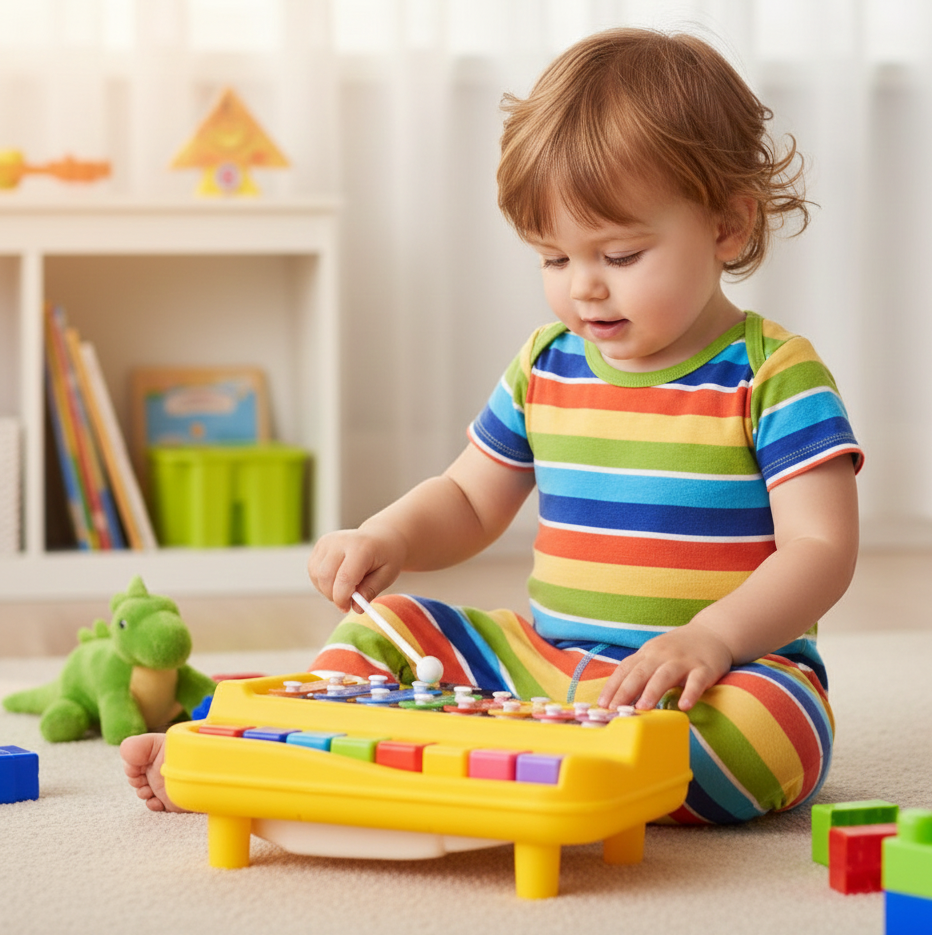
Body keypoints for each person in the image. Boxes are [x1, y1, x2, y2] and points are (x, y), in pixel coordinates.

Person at [123, 26, 862, 823]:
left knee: (773, 732)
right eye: (554, 258)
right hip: (548, 672)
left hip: (715, 678)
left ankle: (472, 762)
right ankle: (258, 752)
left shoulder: (773, 374)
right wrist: (388, 536)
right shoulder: (546, 366)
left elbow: (820, 549)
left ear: (727, 227)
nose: (583, 288)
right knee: (394, 629)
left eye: (619, 256)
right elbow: (470, 499)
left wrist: (712, 637)